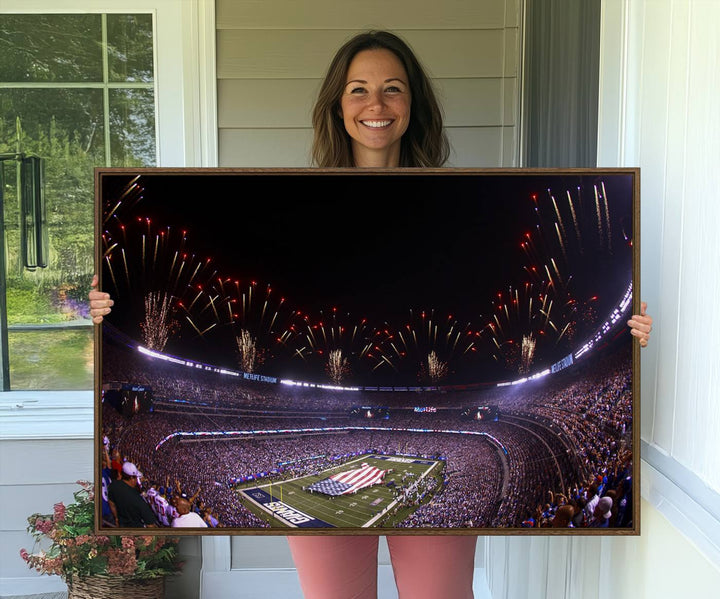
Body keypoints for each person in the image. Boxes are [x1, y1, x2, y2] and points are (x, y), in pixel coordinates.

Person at [90, 29, 654, 599]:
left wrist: (626, 337)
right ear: (338, 104)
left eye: (392, 89)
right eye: (358, 89)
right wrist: (104, 305)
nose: (375, 105)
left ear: (413, 105)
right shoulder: (298, 208)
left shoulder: (455, 206)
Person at [107, 462, 159, 528]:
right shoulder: (138, 499)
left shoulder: (113, 485)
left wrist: (116, 519)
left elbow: (111, 503)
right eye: (136, 478)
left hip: (121, 525)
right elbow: (150, 525)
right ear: (132, 478)